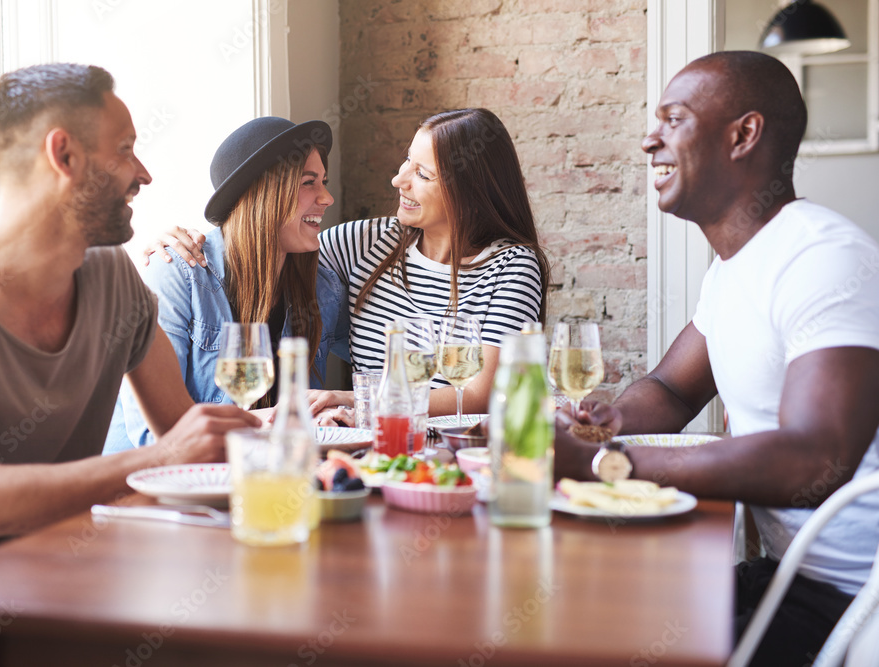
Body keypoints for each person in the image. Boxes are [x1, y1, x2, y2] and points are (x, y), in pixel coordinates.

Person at [556, 51, 879, 665]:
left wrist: (605, 463)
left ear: (744, 135)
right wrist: (596, 426)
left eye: (672, 119)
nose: (650, 139)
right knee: (598, 616)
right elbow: (672, 391)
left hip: (853, 603)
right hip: (791, 575)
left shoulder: (822, 257)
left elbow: (820, 459)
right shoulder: (735, 268)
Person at [0, 63, 260, 584]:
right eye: (125, 149)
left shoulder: (111, 274)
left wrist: (301, 450)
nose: (143, 173)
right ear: (64, 156)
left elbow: (184, 432)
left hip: (64, 576)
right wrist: (163, 456)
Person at [150, 108, 550, 418]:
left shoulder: (511, 266)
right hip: (375, 454)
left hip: (459, 454)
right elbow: (262, 241)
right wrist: (171, 246)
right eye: (405, 162)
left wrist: (342, 399)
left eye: (422, 173)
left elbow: (481, 395)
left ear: (469, 190)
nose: (399, 180)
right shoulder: (361, 245)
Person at [104, 117, 349, 452]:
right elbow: (152, 435)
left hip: (255, 474)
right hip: (160, 490)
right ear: (263, 193)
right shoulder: (179, 272)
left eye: (324, 182)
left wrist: (330, 410)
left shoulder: (322, 288)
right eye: (309, 183)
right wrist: (281, 420)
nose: (327, 198)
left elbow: (389, 377)